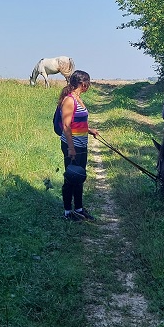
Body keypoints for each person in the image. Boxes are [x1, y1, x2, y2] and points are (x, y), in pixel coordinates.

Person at [58, 70, 99, 221]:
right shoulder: (69, 100)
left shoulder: (78, 99)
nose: (89, 86)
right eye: (88, 83)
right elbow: (66, 126)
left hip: (81, 144)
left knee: (79, 177)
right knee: (71, 177)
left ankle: (80, 209)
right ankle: (68, 212)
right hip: (72, 145)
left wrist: (89, 130)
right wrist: (71, 148)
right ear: (83, 84)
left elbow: (77, 122)